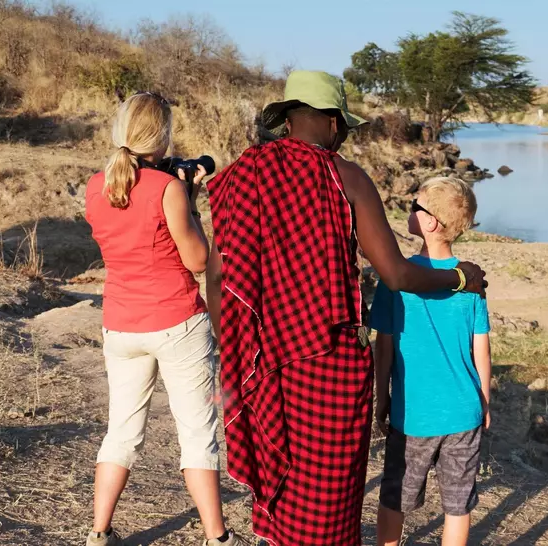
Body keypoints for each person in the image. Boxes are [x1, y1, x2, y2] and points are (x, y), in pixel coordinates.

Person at [205, 70, 487, 546]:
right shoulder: (346, 176)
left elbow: (217, 275)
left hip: (265, 358)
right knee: (328, 496)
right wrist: (461, 278)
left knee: (282, 480)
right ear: (335, 123)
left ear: (289, 119)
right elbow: (396, 274)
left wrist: (240, 348)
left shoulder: (244, 171)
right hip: (327, 365)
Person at [84, 92, 245, 546]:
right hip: (176, 320)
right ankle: (218, 537)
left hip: (121, 322)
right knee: (197, 435)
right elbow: (197, 259)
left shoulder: (96, 187)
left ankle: (99, 532)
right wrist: (191, 201)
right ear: (164, 135)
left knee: (121, 432)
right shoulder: (168, 189)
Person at [371, 177, 492, 546]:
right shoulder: (472, 282)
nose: (410, 209)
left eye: (415, 204)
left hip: (414, 417)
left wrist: (381, 399)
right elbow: (482, 350)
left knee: (395, 500)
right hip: (464, 413)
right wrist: (485, 401)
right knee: (458, 507)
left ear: (429, 223)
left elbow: (384, 348)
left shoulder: (397, 279)